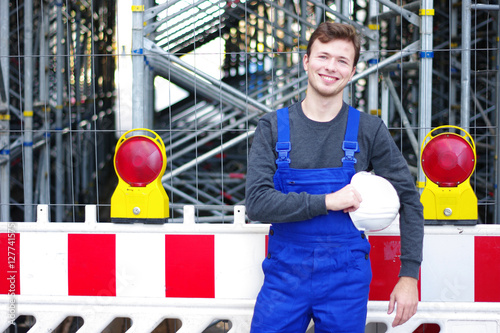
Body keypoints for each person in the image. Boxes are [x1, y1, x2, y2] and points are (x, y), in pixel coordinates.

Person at [245, 21, 424, 333]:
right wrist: (327, 201)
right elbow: (257, 204)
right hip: (285, 277)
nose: (331, 67)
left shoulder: (369, 131)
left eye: (342, 60)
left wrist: (409, 276)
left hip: (346, 279)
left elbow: (409, 200)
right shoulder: (272, 127)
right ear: (306, 61)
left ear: (352, 71)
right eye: (323, 56)